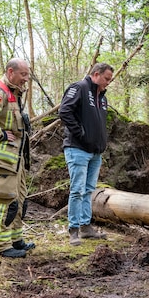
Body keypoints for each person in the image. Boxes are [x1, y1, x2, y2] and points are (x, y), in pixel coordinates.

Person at [0, 58, 36, 258]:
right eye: (23, 74)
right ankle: (1, 245)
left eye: (27, 75)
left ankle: (15, 239)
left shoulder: (14, 92)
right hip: (3, 157)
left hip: (16, 158)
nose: (26, 79)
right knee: (6, 200)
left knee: (19, 199)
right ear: (11, 72)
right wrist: (0, 135)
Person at [58, 62, 114, 246]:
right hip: (77, 149)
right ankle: (73, 230)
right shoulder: (79, 88)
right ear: (96, 74)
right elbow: (64, 111)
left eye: (110, 80)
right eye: (106, 79)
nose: (108, 83)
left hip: (95, 152)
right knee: (77, 190)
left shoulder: (103, 98)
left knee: (89, 190)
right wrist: (81, 134)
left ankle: (86, 227)